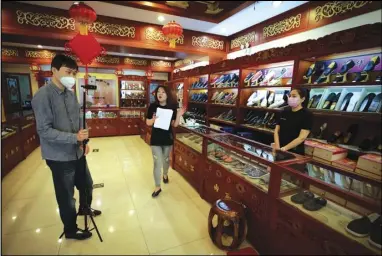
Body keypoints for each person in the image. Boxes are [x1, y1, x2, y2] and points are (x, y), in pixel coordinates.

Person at [31, 54, 101, 240]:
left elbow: (78, 121)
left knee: (86, 184)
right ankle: (70, 229)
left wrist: (83, 140)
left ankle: (85, 208)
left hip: (77, 151)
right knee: (66, 195)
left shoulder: (71, 95)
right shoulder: (42, 96)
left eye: (74, 73)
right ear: (54, 70)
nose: (72, 76)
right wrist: (73, 137)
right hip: (59, 157)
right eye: (68, 72)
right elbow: (44, 130)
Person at [146, 86, 185, 197]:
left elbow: (175, 124)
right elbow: (148, 122)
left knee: (166, 160)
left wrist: (178, 115)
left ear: (167, 94)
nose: (160, 94)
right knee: (157, 163)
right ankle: (157, 186)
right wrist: (153, 120)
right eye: (158, 92)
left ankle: (165, 174)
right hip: (155, 139)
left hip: (167, 139)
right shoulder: (153, 107)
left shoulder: (172, 107)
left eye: (163, 92)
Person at [273, 88, 312, 155]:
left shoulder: (307, 114)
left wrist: (285, 148)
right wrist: (277, 146)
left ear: (302, 99)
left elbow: (301, 137)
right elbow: (276, 130)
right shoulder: (284, 111)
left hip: (295, 152)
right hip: (280, 148)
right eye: (290, 96)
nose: (291, 98)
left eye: (294, 96)